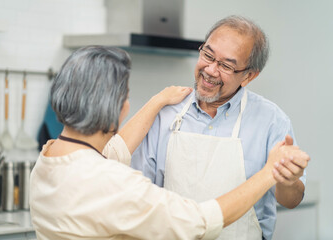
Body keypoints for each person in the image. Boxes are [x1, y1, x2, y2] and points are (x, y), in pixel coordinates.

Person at [29, 46, 309, 240]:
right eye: (126, 96)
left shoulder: (49, 158)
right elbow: (200, 221)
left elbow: (110, 153)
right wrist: (269, 171)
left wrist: (158, 100)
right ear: (114, 107)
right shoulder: (113, 182)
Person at [131, 15, 308, 240]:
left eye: (225, 65)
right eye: (207, 55)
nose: (211, 70)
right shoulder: (166, 113)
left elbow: (290, 200)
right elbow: (139, 191)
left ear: (249, 76)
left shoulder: (272, 121)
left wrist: (288, 180)